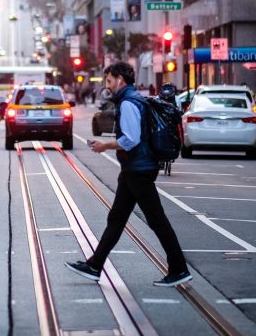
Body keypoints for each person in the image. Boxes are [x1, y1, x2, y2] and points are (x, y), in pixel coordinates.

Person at [65, 61, 191, 287]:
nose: (108, 85)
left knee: (156, 220)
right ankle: (95, 265)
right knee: (117, 219)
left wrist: (105, 145)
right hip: (134, 169)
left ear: (120, 80)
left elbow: (131, 139)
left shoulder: (129, 103)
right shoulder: (133, 99)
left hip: (139, 170)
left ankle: (179, 268)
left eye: (110, 80)